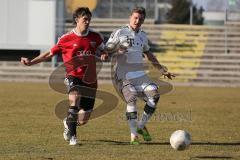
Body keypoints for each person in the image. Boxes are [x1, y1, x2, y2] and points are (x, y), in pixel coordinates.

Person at [21, 7, 107, 145]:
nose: (88, 22)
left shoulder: (95, 37)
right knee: (75, 98)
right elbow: (49, 54)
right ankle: (73, 137)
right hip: (73, 76)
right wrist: (31, 62)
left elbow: (104, 50)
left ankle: (69, 122)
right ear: (76, 20)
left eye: (89, 19)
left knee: (83, 119)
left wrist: (104, 54)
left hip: (90, 79)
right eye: (85, 19)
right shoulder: (66, 38)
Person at [106, 7, 175, 145]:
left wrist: (162, 69)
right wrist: (117, 50)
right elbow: (107, 49)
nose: (137, 21)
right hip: (123, 74)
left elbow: (149, 54)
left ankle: (141, 126)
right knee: (131, 99)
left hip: (139, 74)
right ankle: (134, 136)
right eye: (135, 18)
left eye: (141, 19)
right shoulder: (120, 32)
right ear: (130, 17)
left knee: (154, 95)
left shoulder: (143, 35)